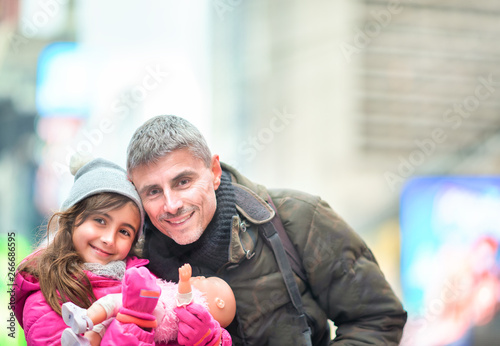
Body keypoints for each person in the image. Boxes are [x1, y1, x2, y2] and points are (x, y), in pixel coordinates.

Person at [126, 115, 408, 345]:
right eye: (153, 191)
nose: (172, 204)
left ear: (214, 172)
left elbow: (378, 318)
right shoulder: (132, 259)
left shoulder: (298, 218)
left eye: (183, 182)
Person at [13, 157, 230, 346]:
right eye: (100, 221)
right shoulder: (46, 295)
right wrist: (133, 323)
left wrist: (209, 340)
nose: (109, 239)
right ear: (71, 221)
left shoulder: (142, 278)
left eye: (124, 231)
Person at [62, 263, 236, 345]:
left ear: (219, 302)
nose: (199, 277)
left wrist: (184, 282)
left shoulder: (199, 305)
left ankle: (85, 318)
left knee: (114, 302)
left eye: (206, 279)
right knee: (107, 324)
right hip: (155, 313)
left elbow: (185, 301)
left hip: (156, 309)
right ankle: (85, 340)